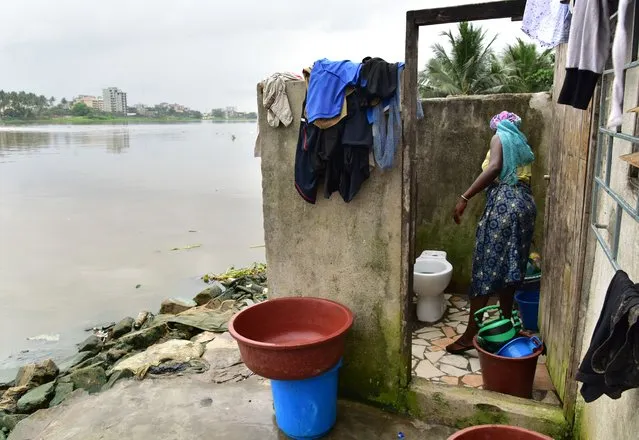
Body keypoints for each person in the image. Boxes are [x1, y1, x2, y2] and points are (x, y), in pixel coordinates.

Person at [446, 111, 536, 354]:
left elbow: (495, 167)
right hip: (525, 205)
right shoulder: (521, 142)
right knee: (511, 267)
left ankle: (469, 334)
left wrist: (465, 197)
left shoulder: (499, 137)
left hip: (505, 205)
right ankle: (507, 330)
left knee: (485, 265)